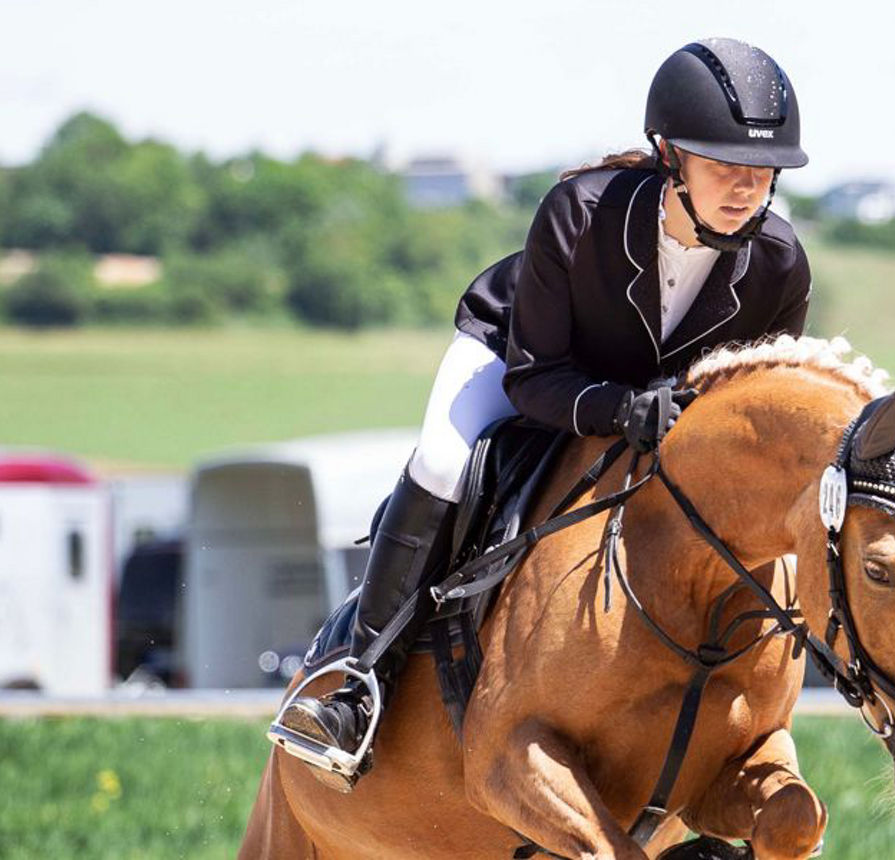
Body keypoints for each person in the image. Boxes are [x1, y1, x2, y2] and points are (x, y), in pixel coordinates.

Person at [274, 37, 814, 788]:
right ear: (669, 155)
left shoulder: (780, 264)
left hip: (654, 409)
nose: (747, 188)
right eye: (725, 165)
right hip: (521, 356)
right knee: (442, 461)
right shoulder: (582, 212)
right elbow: (536, 379)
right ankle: (361, 683)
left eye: (765, 172)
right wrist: (619, 408)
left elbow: (756, 400)